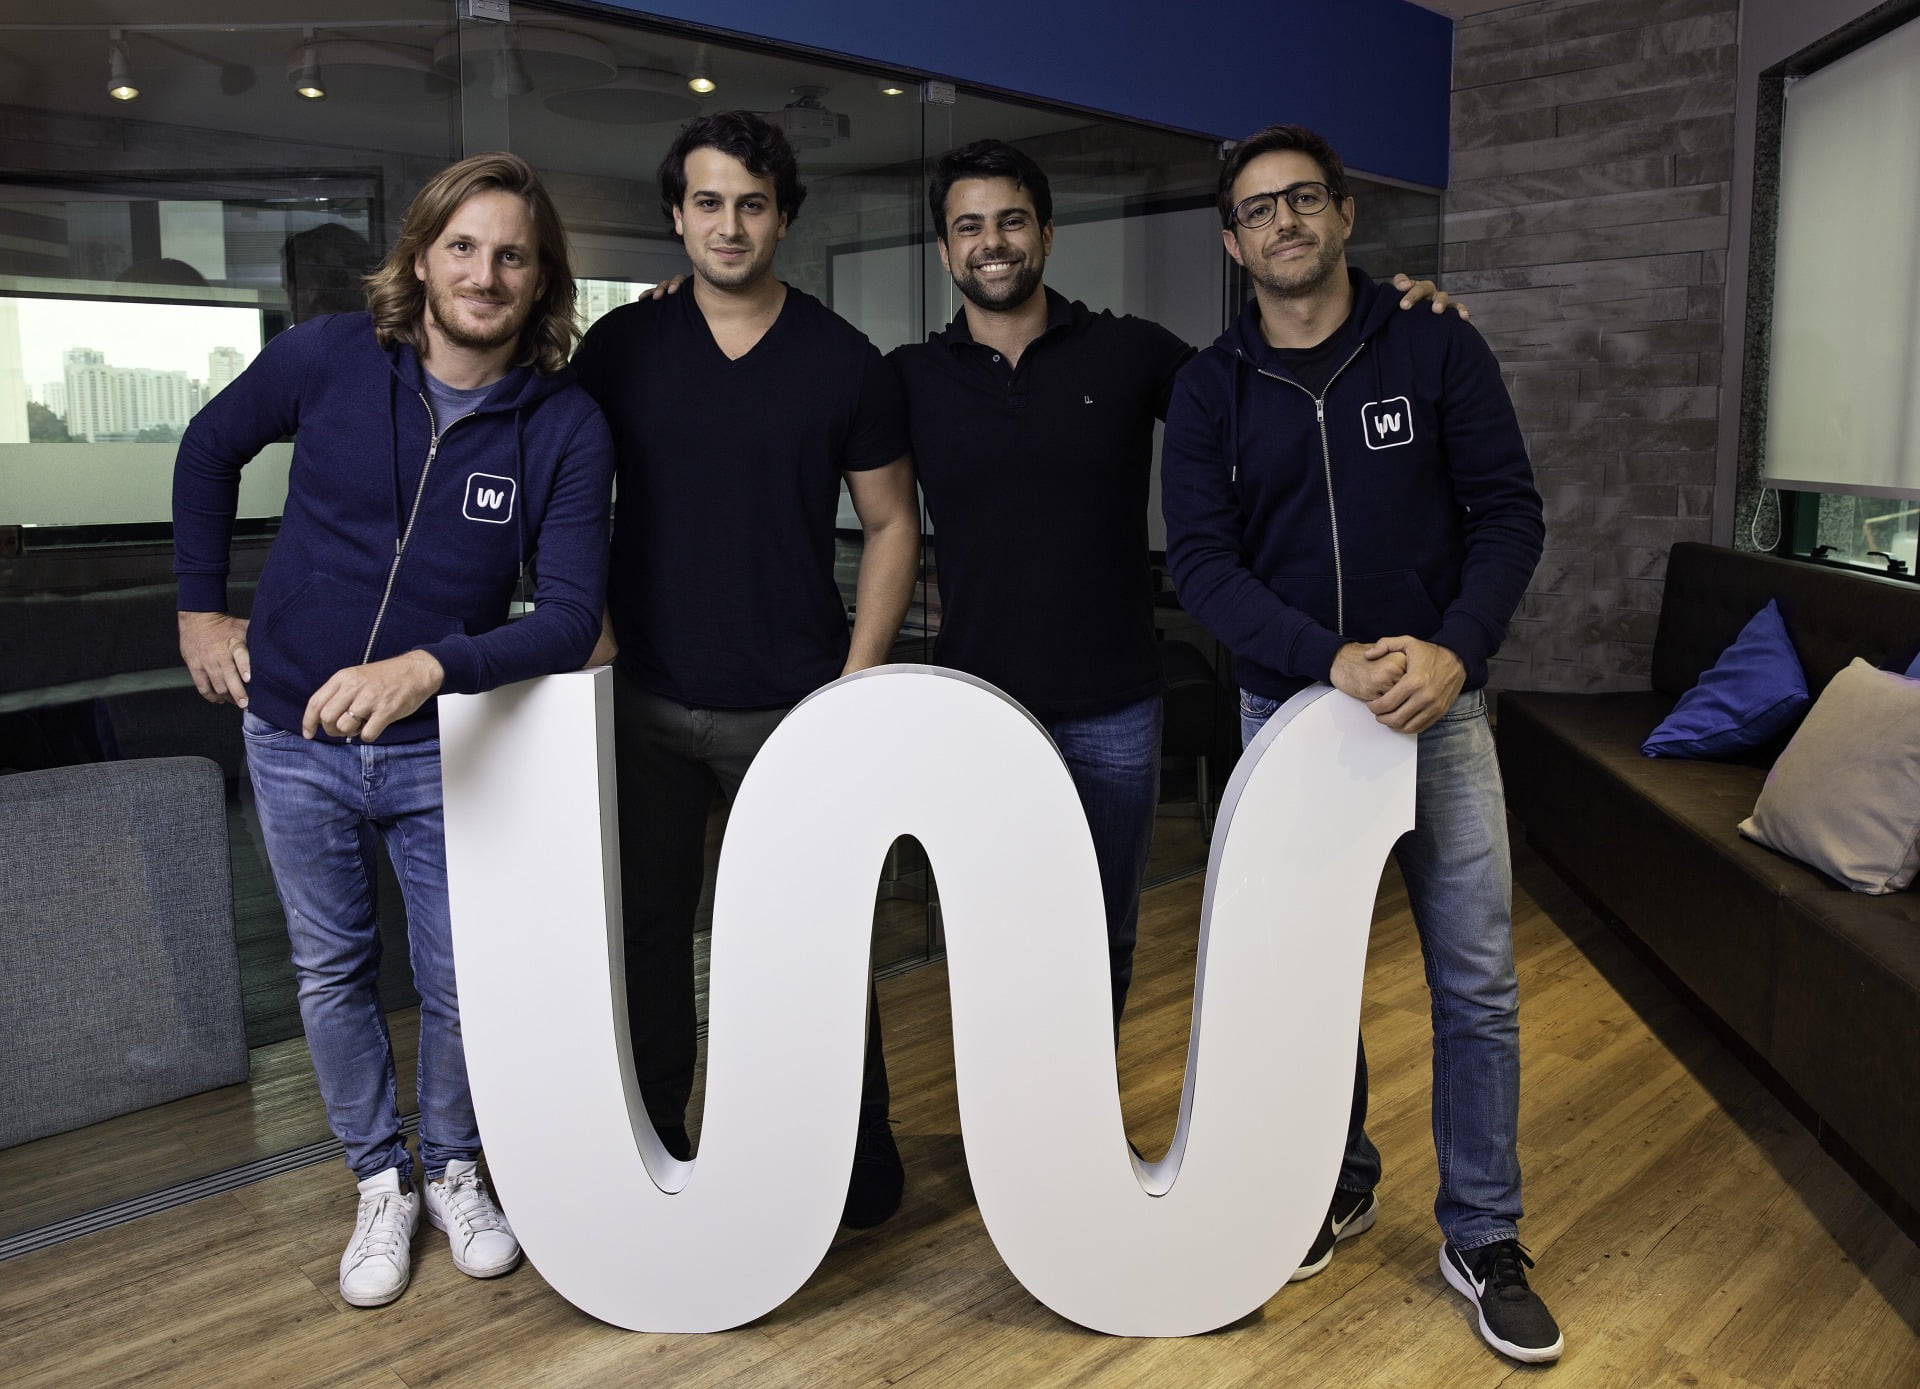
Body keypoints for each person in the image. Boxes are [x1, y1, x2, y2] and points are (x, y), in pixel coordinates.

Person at [172, 151, 615, 1309]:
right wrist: (199, 610)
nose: (485, 272)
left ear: (540, 279)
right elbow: (207, 447)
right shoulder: (329, 359)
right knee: (330, 970)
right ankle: (380, 1179)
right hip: (291, 736)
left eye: (511, 254)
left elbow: (570, 619)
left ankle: (457, 1166)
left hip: (442, 748)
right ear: (421, 257)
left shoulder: (563, 426)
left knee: (462, 978)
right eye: (462, 247)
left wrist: (431, 667)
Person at [891, 138, 1463, 1033]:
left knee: (1107, 938)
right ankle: (1012, 1142)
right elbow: (801, 407)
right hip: (981, 705)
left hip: (1115, 705)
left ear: (1045, 232)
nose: (991, 241)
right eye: (969, 226)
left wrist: (1392, 311)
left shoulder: (1131, 353)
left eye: (1010, 220)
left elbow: (1278, 375)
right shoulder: (907, 379)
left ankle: (1084, 1138)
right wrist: (683, 304)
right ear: (945, 250)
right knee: (990, 935)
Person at [1160, 125, 1558, 1364]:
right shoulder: (1208, 387)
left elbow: (1509, 512)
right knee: (1308, 979)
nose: (1282, 222)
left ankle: (1483, 1232)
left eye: (1301, 199)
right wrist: (1323, 660)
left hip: (1443, 711)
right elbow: (1203, 567)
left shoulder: (1434, 341)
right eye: (1256, 209)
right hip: (1292, 718)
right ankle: (1335, 1175)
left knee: (1476, 978)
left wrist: (1456, 649)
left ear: (1341, 216)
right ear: (1233, 243)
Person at [569, 111, 919, 1228]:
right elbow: (564, 494)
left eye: (753, 203)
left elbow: (893, 522)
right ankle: (657, 1144)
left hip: (791, 705)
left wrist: (855, 683)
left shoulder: (841, 359)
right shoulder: (621, 348)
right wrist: (593, 626)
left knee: (816, 947)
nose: (730, 224)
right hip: (644, 703)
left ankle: (857, 1165)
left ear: (785, 218)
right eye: (708, 202)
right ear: (677, 217)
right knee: (648, 946)